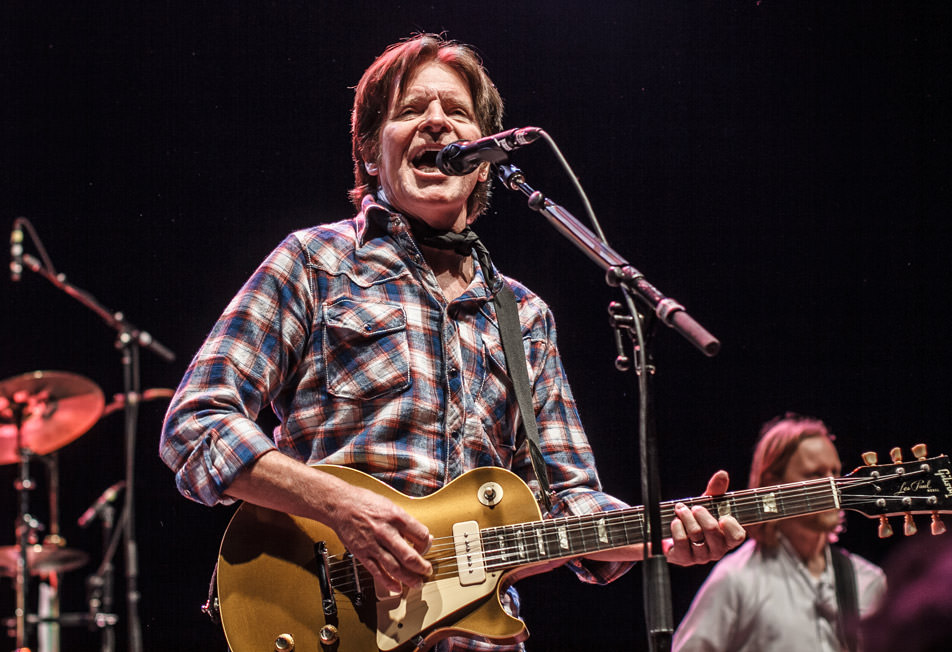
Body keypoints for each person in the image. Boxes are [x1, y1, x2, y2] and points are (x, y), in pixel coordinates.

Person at [160, 33, 745, 651]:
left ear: (485, 153)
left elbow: (568, 501)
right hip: (327, 625)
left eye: (456, 113)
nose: (436, 122)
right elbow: (195, 424)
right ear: (368, 149)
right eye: (410, 110)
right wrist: (340, 506)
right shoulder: (316, 263)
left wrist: (663, 537)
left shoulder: (523, 314)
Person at [673, 414, 887, 652]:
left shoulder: (868, 581)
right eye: (815, 474)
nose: (833, 485)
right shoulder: (737, 579)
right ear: (773, 484)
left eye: (835, 472)